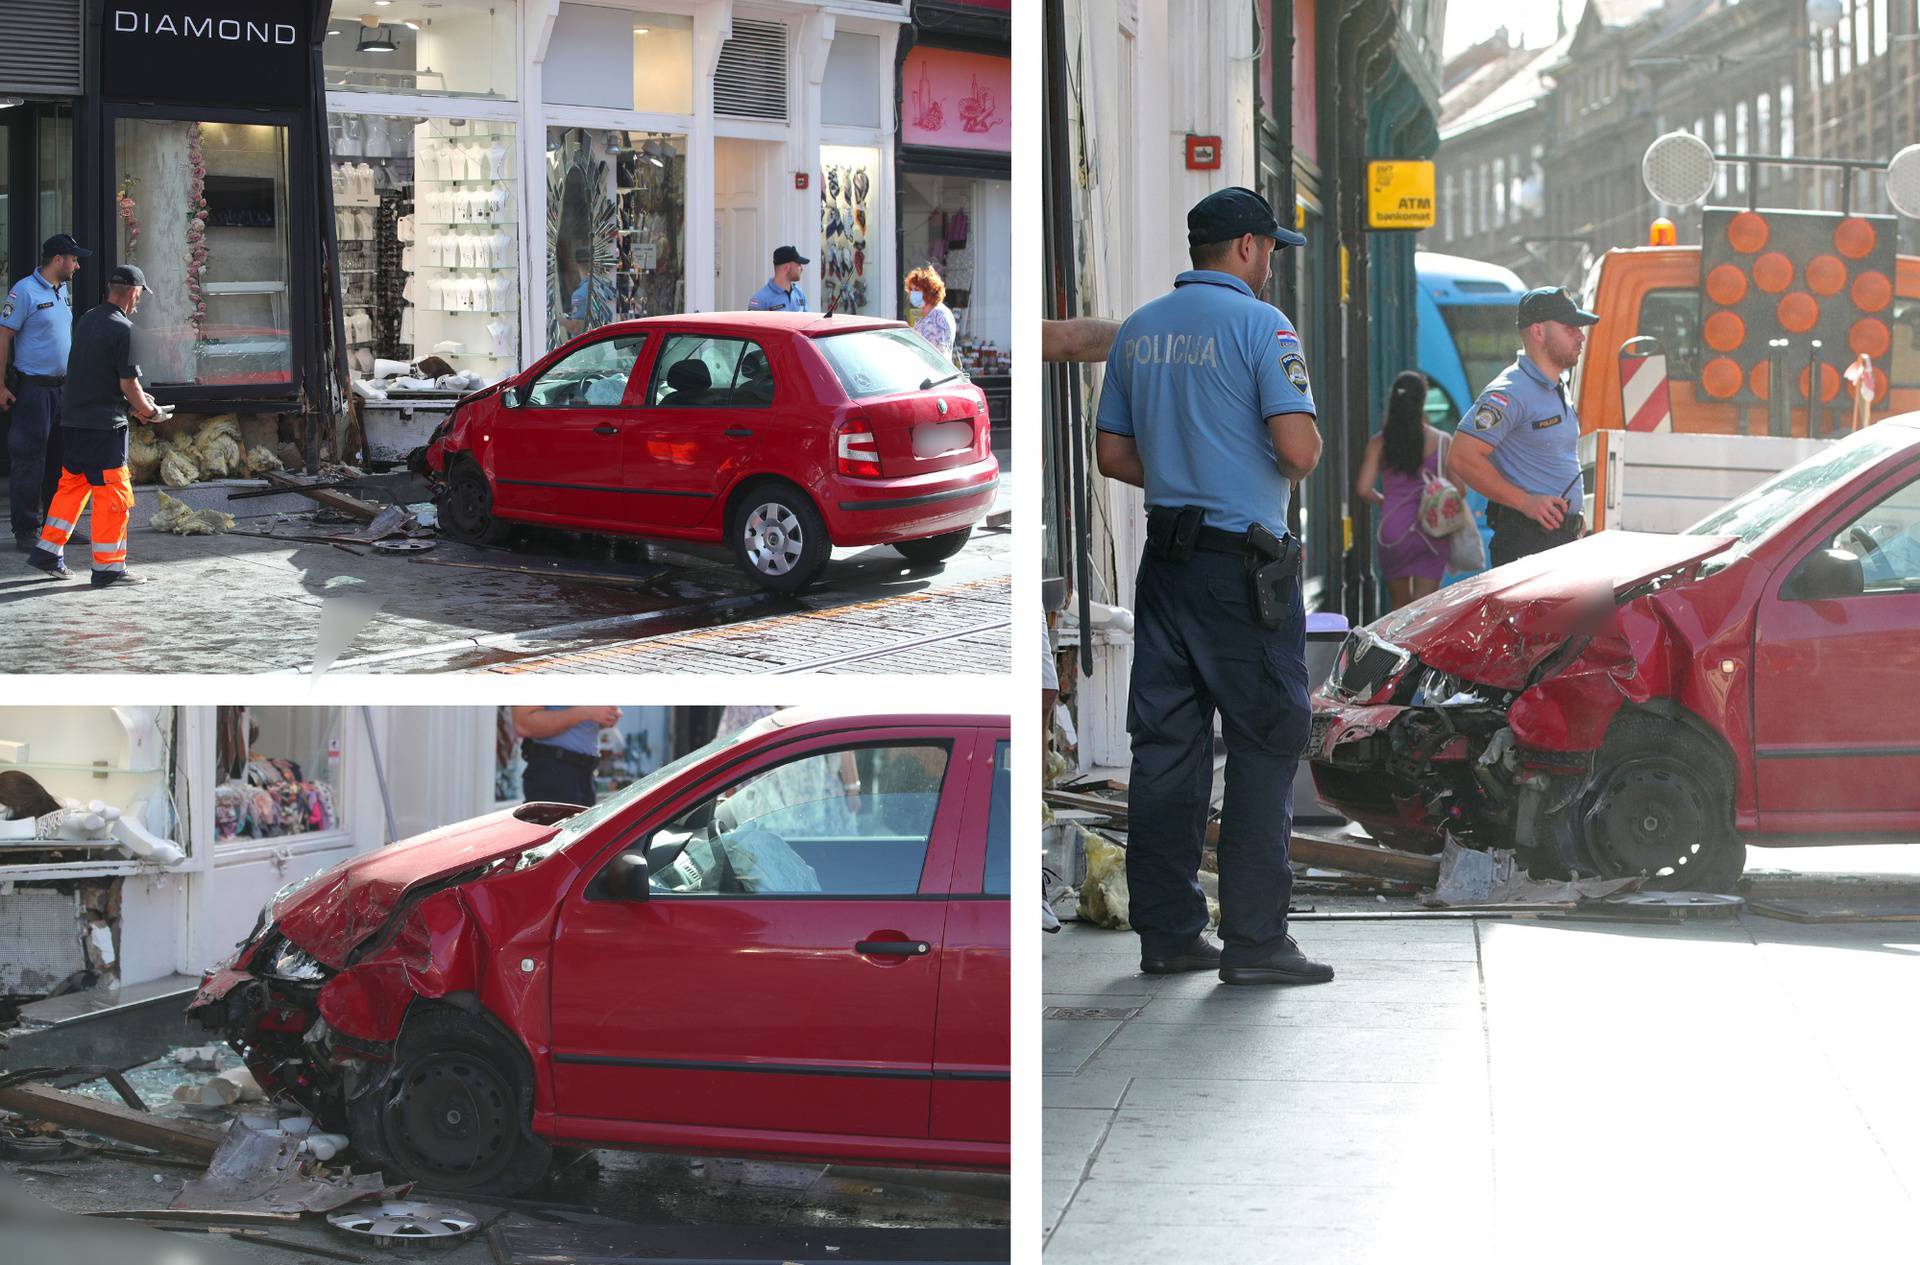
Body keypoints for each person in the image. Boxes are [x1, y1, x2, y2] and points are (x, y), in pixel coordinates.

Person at [1093, 186, 1332, 987]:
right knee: (1267, 739)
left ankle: (1167, 931)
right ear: (1245, 249)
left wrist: (1188, 462)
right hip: (1243, 568)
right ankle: (1257, 940)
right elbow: (1297, 449)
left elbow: (1114, 456)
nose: (1269, 266)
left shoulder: (1140, 329)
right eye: (1269, 251)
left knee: (1165, 749)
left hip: (1165, 565)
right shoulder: (1265, 327)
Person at [1445, 285, 1596, 567]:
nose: (1581, 336)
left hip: (1558, 538)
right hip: (1528, 540)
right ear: (1538, 332)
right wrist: (1526, 502)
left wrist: (1574, 520)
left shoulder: (1556, 386)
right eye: (1570, 328)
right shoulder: (1510, 391)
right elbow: (1461, 456)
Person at [27, 264, 157, 587]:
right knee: (114, 494)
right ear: (132, 292)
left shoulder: (87, 320)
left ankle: (47, 551)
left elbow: (97, 375)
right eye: (139, 294)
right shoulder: (126, 330)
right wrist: (149, 412)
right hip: (105, 429)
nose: (139, 301)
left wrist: (137, 401)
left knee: (72, 486)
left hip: (73, 422)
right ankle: (108, 567)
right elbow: (129, 385)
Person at [2, 234, 88, 552]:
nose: (77, 265)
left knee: (63, 462)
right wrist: (1, 385)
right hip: (33, 390)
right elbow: (3, 336)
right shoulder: (23, 291)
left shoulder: (62, 290)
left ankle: (58, 527)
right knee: (29, 462)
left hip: (62, 390)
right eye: (74, 259)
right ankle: (26, 530)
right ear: (58, 260)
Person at [1356, 369, 1457, 610]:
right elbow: (1459, 489)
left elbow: (1363, 489)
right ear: (1423, 401)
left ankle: (1396, 648)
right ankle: (1421, 650)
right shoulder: (1443, 441)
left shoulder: (1379, 442)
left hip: (1394, 529)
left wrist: (1388, 502)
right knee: (1424, 610)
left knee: (1398, 608)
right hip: (1432, 530)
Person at [512, 706, 623, 806]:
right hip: (554, 773)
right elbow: (523, 724)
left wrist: (605, 716)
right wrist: (587, 712)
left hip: (585, 775)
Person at [905, 264, 955, 359]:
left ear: (929, 291)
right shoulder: (930, 314)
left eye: (916, 289)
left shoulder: (937, 314)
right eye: (911, 289)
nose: (912, 293)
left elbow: (938, 352)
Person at [747, 246, 809, 312]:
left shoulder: (799, 293)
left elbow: (808, 320)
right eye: (799, 264)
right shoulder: (759, 299)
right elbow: (752, 322)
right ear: (787, 267)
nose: (802, 269)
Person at [560, 246, 594, 338]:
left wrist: (560, 321)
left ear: (575, 265)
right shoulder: (596, 287)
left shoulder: (578, 295)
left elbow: (576, 328)